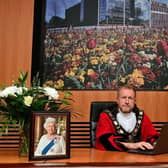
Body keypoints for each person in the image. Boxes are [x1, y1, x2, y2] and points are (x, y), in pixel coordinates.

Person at [95, 85, 159, 151]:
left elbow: (152, 136)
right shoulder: (106, 116)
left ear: (134, 101)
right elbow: (105, 141)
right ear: (117, 100)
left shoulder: (142, 117)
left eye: (130, 98)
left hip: (138, 158)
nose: (127, 102)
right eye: (123, 97)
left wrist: (155, 143)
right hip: (112, 157)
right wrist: (132, 145)